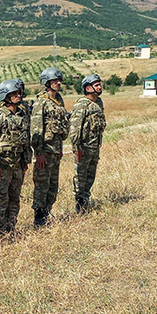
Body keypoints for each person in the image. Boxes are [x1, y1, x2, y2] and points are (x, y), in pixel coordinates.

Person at [0, 79, 32, 235]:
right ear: (5, 96)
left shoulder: (22, 114)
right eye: (14, 93)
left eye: (19, 93)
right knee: (0, 201)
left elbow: (26, 139)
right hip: (2, 166)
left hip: (17, 165)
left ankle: (11, 229)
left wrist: (25, 160)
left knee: (14, 199)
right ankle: (0, 232)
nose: (19, 95)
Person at [31, 67, 69, 226]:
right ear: (47, 83)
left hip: (56, 150)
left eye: (59, 80)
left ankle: (46, 214)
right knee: (42, 185)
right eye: (54, 81)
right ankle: (39, 218)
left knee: (53, 186)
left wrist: (60, 149)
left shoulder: (58, 100)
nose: (58, 83)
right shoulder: (41, 102)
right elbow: (36, 129)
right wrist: (38, 152)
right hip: (45, 152)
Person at [68, 74, 106, 213]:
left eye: (99, 84)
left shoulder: (99, 103)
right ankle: (80, 204)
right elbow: (74, 129)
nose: (99, 87)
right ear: (88, 88)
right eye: (96, 85)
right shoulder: (81, 105)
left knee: (90, 176)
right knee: (80, 177)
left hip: (95, 147)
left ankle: (86, 201)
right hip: (83, 148)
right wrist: (76, 148)